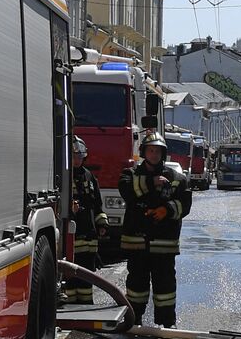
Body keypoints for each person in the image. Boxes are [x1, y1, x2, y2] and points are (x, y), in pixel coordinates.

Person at [118, 134, 194, 327]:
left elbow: (185, 204)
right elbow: (127, 191)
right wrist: (153, 182)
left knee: (165, 286)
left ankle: (167, 322)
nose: (154, 154)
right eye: (150, 150)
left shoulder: (176, 178)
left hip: (164, 244)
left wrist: (166, 210)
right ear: (143, 152)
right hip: (137, 243)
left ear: (163, 153)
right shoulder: (130, 174)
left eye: (157, 150)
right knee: (136, 284)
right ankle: (134, 320)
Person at [64, 136, 107, 304]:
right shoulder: (65, 176)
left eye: (80, 157)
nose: (77, 160)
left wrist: (101, 223)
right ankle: (70, 304)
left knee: (87, 273)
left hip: (89, 235)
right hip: (73, 235)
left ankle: (86, 304)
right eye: (74, 157)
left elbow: (97, 203)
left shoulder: (89, 177)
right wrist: (69, 210)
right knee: (71, 271)